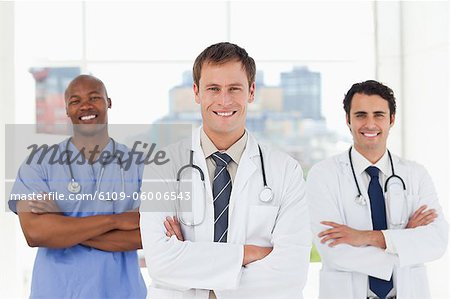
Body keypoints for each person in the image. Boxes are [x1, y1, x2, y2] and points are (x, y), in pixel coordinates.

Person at [140, 42, 311, 299]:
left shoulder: (286, 171)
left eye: (234, 89)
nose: (224, 100)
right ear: (197, 92)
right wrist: (247, 254)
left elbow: (291, 273)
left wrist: (192, 261)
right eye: (213, 88)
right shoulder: (162, 165)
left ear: (251, 92)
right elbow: (160, 262)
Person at [306, 80, 448, 299]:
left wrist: (366, 237)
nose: (370, 124)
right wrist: (404, 240)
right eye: (361, 115)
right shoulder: (323, 175)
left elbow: (437, 242)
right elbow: (333, 251)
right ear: (348, 120)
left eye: (379, 115)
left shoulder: (415, 174)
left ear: (391, 120)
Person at [9, 75, 147, 298]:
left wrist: (61, 224)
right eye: (75, 101)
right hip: (57, 291)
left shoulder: (139, 165)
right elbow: (35, 233)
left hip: (121, 292)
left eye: (94, 97)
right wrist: (116, 220)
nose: (86, 106)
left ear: (109, 102)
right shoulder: (38, 163)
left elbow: (148, 236)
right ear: (66, 110)